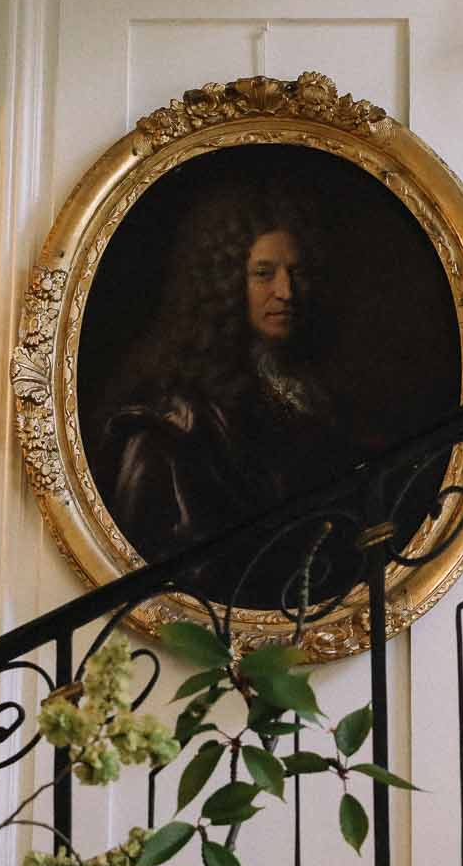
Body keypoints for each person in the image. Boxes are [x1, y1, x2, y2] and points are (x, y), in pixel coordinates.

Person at [98, 181, 370, 607]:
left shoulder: (317, 397)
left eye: (297, 273)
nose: (285, 291)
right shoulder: (174, 423)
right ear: (226, 281)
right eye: (264, 273)